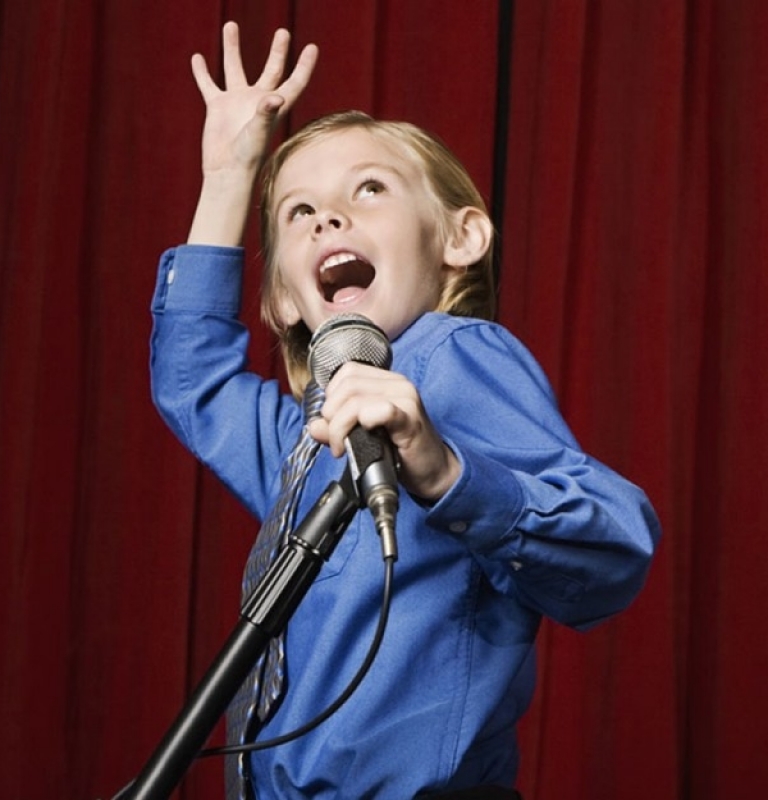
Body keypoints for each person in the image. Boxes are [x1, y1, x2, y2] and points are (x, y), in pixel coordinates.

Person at [150, 22, 661, 800]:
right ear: (284, 301)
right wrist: (227, 180)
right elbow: (195, 385)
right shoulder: (306, 439)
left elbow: (613, 545)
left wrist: (443, 467)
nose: (328, 218)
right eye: (298, 211)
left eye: (369, 189)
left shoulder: (452, 358)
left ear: (460, 237)